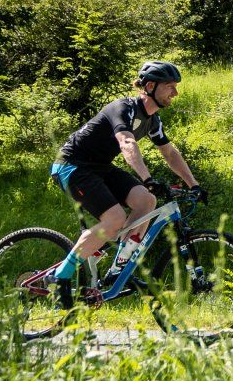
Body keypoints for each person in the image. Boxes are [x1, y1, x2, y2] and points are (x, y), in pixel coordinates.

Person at [47, 61, 203, 298]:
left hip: (99, 167)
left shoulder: (153, 121)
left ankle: (119, 266)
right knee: (115, 218)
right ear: (150, 86)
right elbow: (127, 143)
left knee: (146, 201)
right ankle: (60, 276)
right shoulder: (124, 108)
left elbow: (170, 153)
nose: (175, 93)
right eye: (170, 86)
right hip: (72, 165)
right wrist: (147, 177)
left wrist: (194, 185)